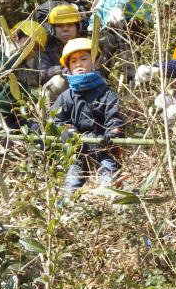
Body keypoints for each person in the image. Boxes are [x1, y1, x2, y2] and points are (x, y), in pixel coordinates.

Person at [51, 37, 125, 194]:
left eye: (84, 59)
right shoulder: (66, 96)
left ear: (96, 63)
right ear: (68, 67)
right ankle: (65, 208)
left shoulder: (107, 94)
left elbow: (115, 118)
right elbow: (55, 120)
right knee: (70, 185)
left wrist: (112, 134)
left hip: (102, 148)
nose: (79, 64)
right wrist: (67, 132)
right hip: (76, 151)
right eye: (73, 61)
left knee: (110, 185)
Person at [0, 20, 47, 131]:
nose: (33, 51)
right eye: (31, 45)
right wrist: (16, 54)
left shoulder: (25, 64)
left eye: (36, 49)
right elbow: (2, 69)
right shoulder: (1, 54)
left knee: (36, 131)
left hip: (17, 114)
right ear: (15, 36)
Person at [39, 3, 83, 105]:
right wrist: (65, 70)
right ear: (52, 29)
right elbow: (42, 72)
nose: (65, 29)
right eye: (60, 26)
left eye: (70, 24)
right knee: (58, 82)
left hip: (84, 89)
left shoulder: (86, 44)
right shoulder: (46, 47)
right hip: (58, 99)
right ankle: (47, 120)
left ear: (78, 27)